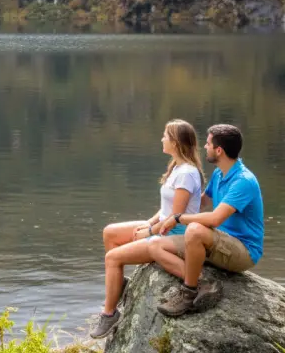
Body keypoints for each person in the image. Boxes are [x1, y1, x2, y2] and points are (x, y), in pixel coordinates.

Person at [90, 119, 205, 339]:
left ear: (176, 142)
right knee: (110, 233)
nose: (162, 138)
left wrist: (150, 233)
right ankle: (118, 285)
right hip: (161, 226)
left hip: (172, 235)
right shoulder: (176, 167)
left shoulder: (187, 173)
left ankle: (109, 313)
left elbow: (175, 218)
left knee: (112, 258)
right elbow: (165, 209)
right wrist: (149, 223)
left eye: (165, 135)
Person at [148, 124, 264, 317]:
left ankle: (189, 292)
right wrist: (163, 216)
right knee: (155, 245)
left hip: (243, 251)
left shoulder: (243, 181)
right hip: (219, 241)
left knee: (194, 230)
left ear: (219, 150)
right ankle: (204, 284)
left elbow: (215, 218)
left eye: (209, 144)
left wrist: (178, 218)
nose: (204, 147)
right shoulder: (220, 173)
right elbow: (201, 203)